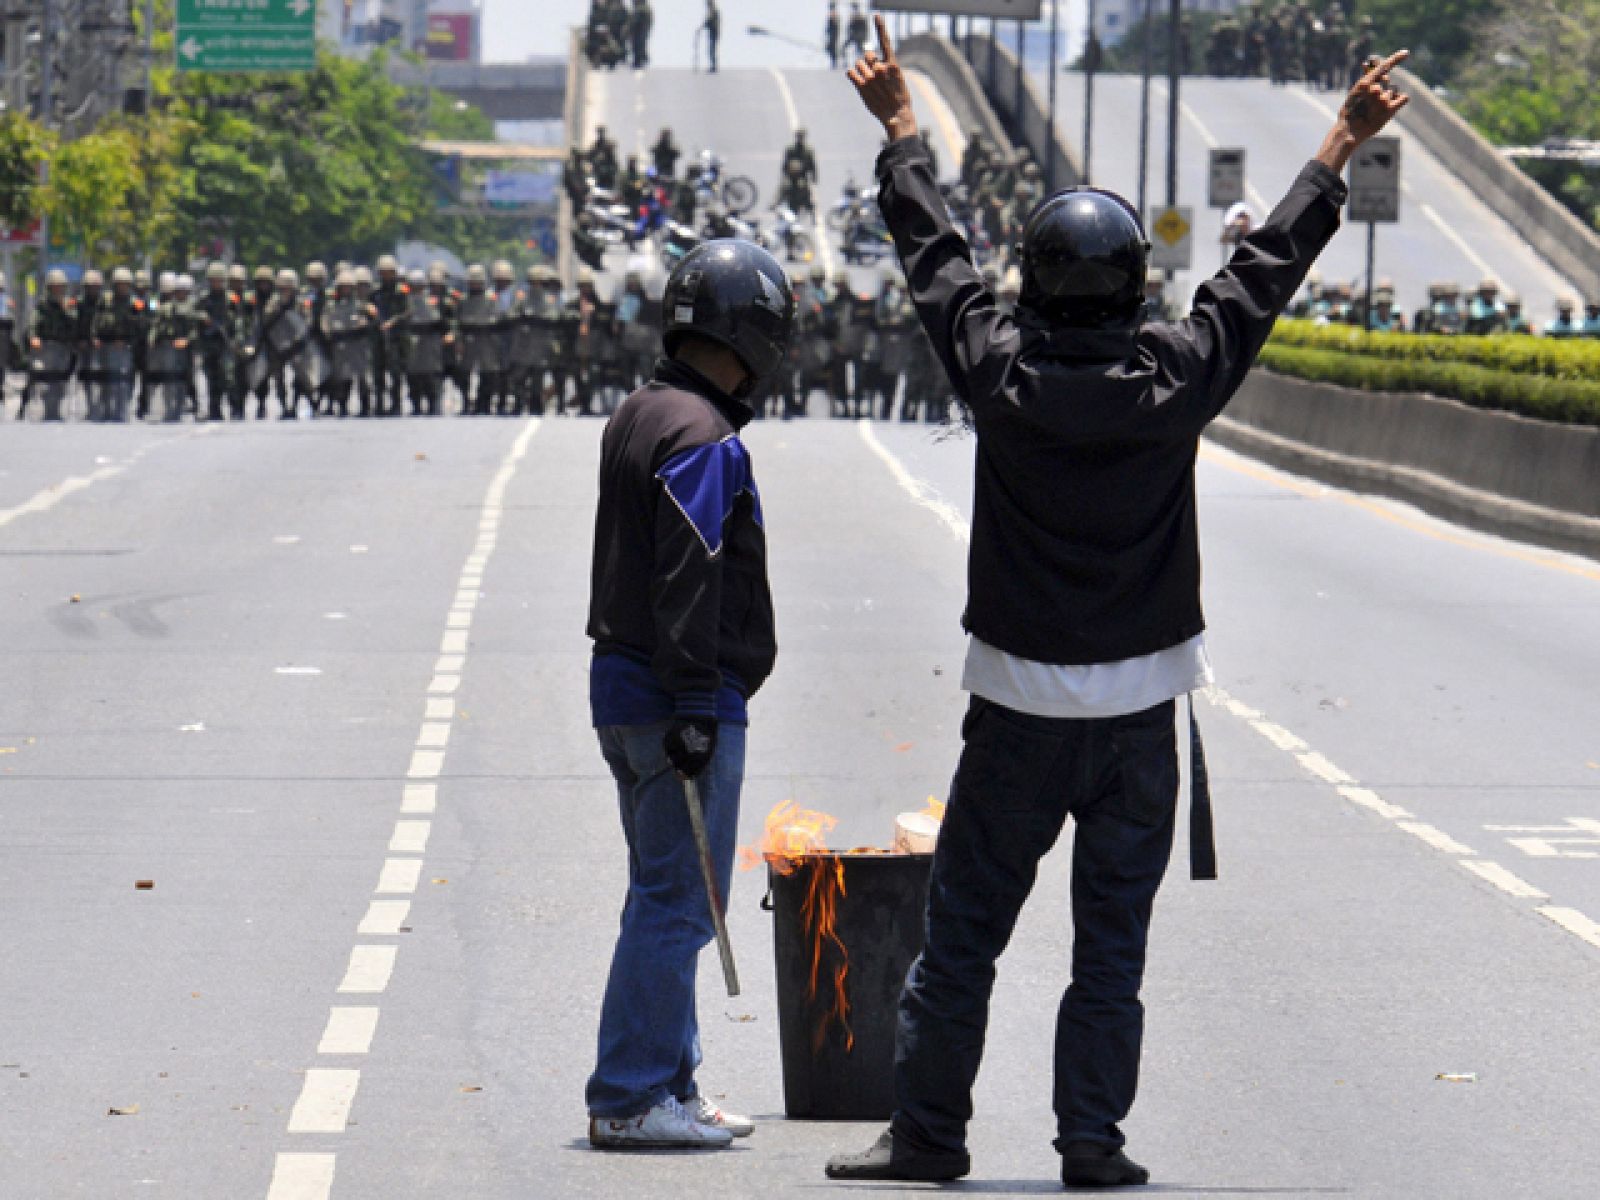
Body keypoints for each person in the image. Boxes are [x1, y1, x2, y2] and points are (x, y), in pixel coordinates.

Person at [830, 19, 1410, 1188]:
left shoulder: (998, 375)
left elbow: (934, 256)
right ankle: (1090, 1146)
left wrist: (900, 130)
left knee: (961, 944)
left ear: (1034, 282)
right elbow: (1262, 273)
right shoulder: (1176, 380)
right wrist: (1337, 145)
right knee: (1111, 952)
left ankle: (929, 1140)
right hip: (1142, 724)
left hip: (1014, 720)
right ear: (1137, 282)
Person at [585, 238, 794, 1150]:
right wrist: (698, 712)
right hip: (679, 700)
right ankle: (630, 1095)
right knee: (679, 902)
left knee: (663, 891)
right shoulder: (705, 440)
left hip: (624, 692)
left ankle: (674, 1079)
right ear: (747, 335)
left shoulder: (641, 411)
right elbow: (691, 580)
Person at [629, 0, 653, 68]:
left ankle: (639, 60)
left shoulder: (641, 8)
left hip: (640, 30)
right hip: (641, 30)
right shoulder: (643, 8)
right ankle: (640, 59)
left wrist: (629, 29)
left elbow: (635, 21)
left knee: (638, 45)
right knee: (639, 45)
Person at [701, 0, 720, 73]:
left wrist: (705, 24)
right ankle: (713, 66)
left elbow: (711, 22)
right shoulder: (712, 12)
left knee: (712, 50)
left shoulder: (713, 12)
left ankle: (713, 67)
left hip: (714, 33)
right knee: (711, 50)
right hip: (713, 33)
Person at [825, 2, 841, 69]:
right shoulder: (831, 15)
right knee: (829, 47)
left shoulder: (835, 15)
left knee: (833, 48)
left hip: (834, 34)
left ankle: (835, 62)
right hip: (831, 34)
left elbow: (837, 26)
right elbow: (828, 26)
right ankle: (834, 62)